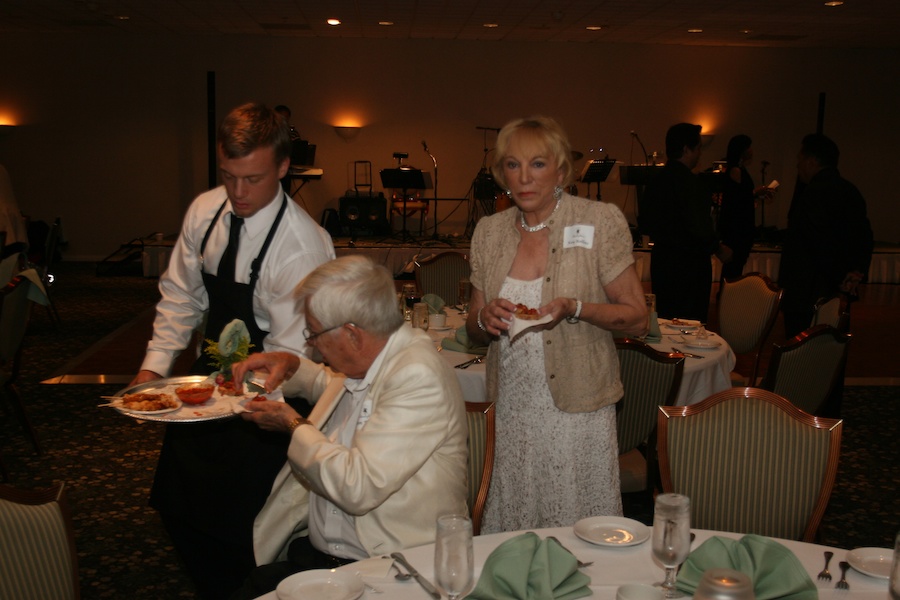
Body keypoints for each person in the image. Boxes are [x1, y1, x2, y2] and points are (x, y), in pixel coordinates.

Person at [130, 102, 335, 599]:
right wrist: (152, 370)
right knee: (180, 508)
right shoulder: (205, 210)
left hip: (272, 392)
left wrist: (235, 400)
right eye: (229, 176)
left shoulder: (302, 246)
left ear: (284, 168)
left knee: (246, 528)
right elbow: (182, 297)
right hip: (211, 373)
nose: (239, 193)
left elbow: (290, 353)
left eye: (254, 179)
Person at [227, 255, 468, 598]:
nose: (310, 343)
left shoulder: (418, 375)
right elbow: (334, 386)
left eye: (313, 333)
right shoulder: (373, 356)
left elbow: (358, 488)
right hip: (326, 557)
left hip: (389, 567)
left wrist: (292, 425)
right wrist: (292, 366)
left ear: (353, 335)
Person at [464, 116, 647, 533]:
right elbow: (474, 330)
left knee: (577, 529)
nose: (524, 177)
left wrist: (577, 307)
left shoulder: (599, 221)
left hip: (577, 410)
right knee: (516, 527)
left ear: (561, 170)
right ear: (501, 173)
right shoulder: (489, 233)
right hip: (512, 410)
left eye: (538, 164)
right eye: (513, 165)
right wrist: (483, 317)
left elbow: (637, 318)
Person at [779, 133, 873, 338]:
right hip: (837, 289)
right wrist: (852, 277)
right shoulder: (851, 191)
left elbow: (816, 243)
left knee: (802, 353)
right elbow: (865, 238)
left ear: (811, 161)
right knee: (831, 350)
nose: (798, 166)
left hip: (807, 292)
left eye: (800, 160)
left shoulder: (812, 194)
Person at [640, 122, 732, 321]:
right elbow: (700, 228)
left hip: (663, 262)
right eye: (698, 148)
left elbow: (645, 223)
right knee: (690, 323)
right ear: (686, 150)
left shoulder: (656, 181)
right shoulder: (692, 184)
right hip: (690, 267)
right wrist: (719, 249)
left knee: (665, 320)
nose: (700, 154)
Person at [718, 134, 774, 282]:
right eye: (748, 147)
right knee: (734, 263)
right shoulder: (735, 170)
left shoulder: (739, 169)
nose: (751, 150)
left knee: (736, 263)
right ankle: (727, 293)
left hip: (740, 225)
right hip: (737, 227)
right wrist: (756, 192)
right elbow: (738, 199)